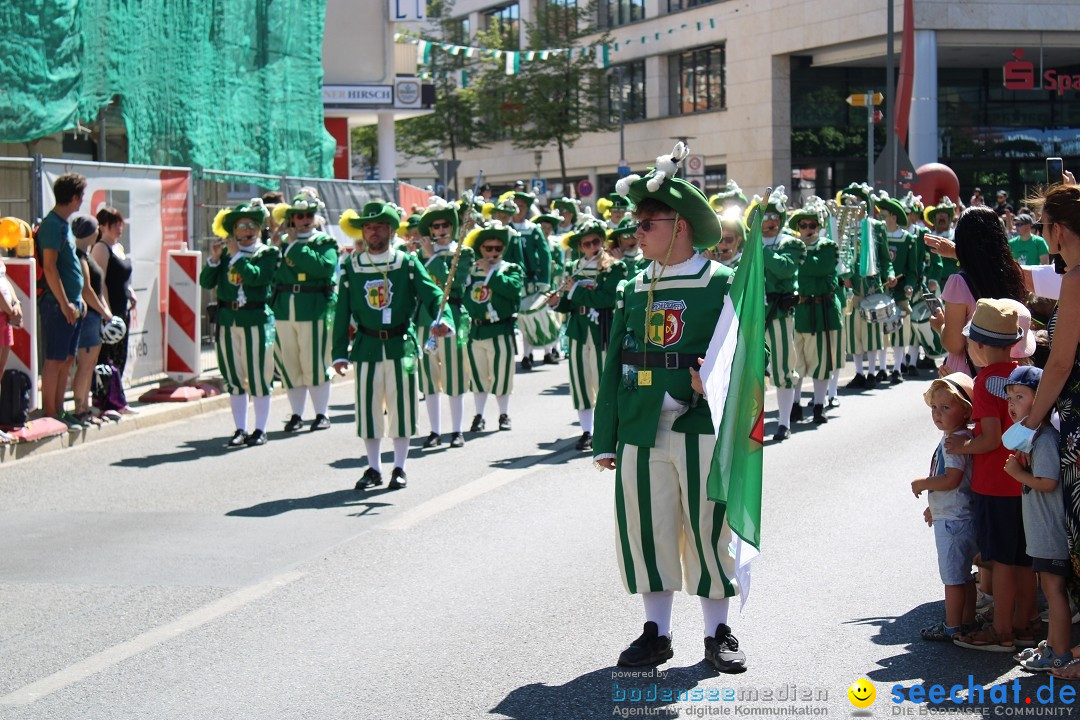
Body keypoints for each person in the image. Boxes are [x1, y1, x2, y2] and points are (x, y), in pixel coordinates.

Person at [593, 145, 747, 674]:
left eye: (646, 222)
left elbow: (751, 356)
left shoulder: (724, 283)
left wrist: (715, 376)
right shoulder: (632, 285)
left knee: (707, 527)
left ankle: (717, 632)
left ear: (679, 225)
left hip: (701, 425)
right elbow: (614, 364)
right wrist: (605, 437)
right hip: (640, 428)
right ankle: (656, 633)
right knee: (647, 528)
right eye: (635, 222)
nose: (635, 231)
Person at [334, 201, 453, 490]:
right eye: (368, 226)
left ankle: (399, 467)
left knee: (402, 408)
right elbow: (341, 313)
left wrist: (444, 318)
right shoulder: (352, 267)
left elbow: (435, 294)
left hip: (401, 346)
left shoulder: (407, 263)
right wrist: (338, 353)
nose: (373, 231)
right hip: (366, 346)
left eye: (379, 226)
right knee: (368, 410)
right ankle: (373, 468)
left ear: (390, 229)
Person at [1012, 181, 1080, 678]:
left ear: (1056, 230)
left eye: (1043, 227)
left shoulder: (1077, 277)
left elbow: (1058, 365)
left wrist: (1027, 427)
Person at [949, 299, 1037, 653]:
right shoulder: (1022, 374)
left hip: (996, 484)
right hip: (1025, 482)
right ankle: (1026, 624)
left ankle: (1001, 631)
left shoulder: (985, 382)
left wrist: (961, 447)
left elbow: (988, 439)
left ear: (979, 346)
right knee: (1023, 560)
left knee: (999, 560)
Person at [1000, 366, 1070, 669]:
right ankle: (1053, 646)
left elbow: (1048, 482)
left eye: (1020, 396)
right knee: (1049, 587)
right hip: (1042, 532)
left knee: (1054, 592)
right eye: (1009, 398)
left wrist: (1018, 474)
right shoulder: (1035, 439)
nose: (1012, 404)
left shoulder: (1044, 440)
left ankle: (1061, 652)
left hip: (1050, 531)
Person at [200, 199, 279, 447]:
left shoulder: (268, 253)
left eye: (251, 226)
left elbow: (256, 279)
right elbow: (206, 282)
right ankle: (240, 429)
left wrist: (236, 256)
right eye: (241, 226)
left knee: (258, 376)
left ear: (258, 228)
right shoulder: (226, 253)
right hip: (228, 320)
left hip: (254, 320)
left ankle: (260, 429)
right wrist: (214, 260)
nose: (246, 230)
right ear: (233, 231)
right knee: (233, 377)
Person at [549, 217, 627, 451]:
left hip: (602, 330)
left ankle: (609, 430)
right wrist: (556, 303)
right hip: (579, 330)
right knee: (581, 381)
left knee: (603, 380)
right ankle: (586, 431)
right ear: (580, 247)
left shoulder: (614, 266)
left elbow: (606, 299)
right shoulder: (574, 268)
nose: (592, 247)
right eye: (586, 244)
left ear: (602, 242)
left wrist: (574, 291)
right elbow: (568, 303)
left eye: (595, 242)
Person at [912, 373, 977, 641]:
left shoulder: (954, 442)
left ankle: (952, 626)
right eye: (935, 408)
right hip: (958, 512)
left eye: (946, 408)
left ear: (965, 410)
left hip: (953, 519)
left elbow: (952, 479)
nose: (937, 414)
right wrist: (933, 506)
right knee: (965, 575)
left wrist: (923, 483)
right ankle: (968, 620)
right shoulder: (959, 436)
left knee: (952, 577)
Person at [929, 207, 1028, 377]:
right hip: (1012, 374)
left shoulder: (959, 283)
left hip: (970, 378)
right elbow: (986, 259)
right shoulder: (1013, 273)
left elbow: (955, 344)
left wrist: (941, 326)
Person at [270, 191, 339, 433]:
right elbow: (271, 272)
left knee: (315, 361)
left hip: (313, 307)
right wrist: (277, 247)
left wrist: (295, 248)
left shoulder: (324, 242)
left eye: (309, 214)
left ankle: (322, 414)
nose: (304, 219)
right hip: (284, 309)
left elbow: (323, 267)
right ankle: (297, 414)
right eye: (299, 216)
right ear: (292, 219)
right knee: (289, 363)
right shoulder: (279, 244)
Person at [416, 197, 474, 448]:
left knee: (454, 376)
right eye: (435, 227)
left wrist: (431, 259)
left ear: (452, 228)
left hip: (453, 318)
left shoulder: (464, 251)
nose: (440, 231)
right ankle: (435, 431)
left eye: (444, 226)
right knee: (429, 378)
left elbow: (456, 285)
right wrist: (426, 256)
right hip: (424, 319)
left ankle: (457, 430)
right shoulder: (417, 254)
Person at [461, 222, 523, 433]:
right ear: (480, 249)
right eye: (489, 248)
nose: (493, 253)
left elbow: (512, 291)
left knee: (502, 375)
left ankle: (504, 414)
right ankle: (479, 415)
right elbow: (462, 295)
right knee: (478, 376)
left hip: (500, 330)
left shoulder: (511, 269)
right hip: (476, 330)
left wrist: (491, 273)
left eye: (498, 248)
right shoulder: (471, 271)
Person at [757, 191, 805, 440]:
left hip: (779, 313)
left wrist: (760, 250)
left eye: (775, 216)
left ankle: (784, 422)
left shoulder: (791, 242)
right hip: (754, 315)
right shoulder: (749, 242)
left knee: (782, 368)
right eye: (766, 216)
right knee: (752, 371)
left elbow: (785, 269)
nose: (770, 221)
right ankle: (755, 423)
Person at [789, 203, 843, 424]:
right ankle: (795, 404)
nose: (808, 229)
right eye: (804, 225)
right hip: (798, 310)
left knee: (820, 362)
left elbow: (817, 268)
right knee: (796, 362)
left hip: (821, 312)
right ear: (798, 227)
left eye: (813, 225)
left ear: (819, 226)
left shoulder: (827, 246)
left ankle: (819, 406)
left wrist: (797, 260)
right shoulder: (791, 246)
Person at [841, 183, 895, 390]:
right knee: (854, 332)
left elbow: (885, 258)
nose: (851, 206)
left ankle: (872, 372)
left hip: (872, 286)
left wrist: (889, 274)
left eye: (855, 202)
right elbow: (842, 257)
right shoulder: (844, 227)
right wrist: (844, 276)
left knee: (872, 331)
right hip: (853, 288)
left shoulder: (876, 226)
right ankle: (859, 373)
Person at [70, 216, 114, 426]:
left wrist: (104, 311)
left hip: (94, 316)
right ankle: (80, 409)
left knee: (90, 365)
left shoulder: (86, 255)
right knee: (86, 365)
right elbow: (87, 290)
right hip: (89, 318)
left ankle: (85, 407)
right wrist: (105, 313)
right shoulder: (81, 257)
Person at [91, 206, 135, 412]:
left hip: (123, 308)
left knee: (120, 356)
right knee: (106, 357)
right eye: (113, 224)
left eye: (120, 223)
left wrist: (131, 293)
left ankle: (118, 400)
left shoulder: (118, 247)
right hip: (110, 312)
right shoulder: (101, 248)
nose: (119, 228)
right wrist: (107, 313)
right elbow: (101, 283)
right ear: (103, 227)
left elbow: (121, 277)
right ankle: (105, 402)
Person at [875, 193, 919, 383]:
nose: (880, 219)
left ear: (893, 217)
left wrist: (908, 285)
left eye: (883, 215)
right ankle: (882, 368)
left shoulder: (908, 239)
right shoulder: (877, 237)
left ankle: (897, 368)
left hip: (900, 290)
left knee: (901, 330)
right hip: (882, 290)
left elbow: (913, 269)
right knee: (881, 330)